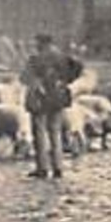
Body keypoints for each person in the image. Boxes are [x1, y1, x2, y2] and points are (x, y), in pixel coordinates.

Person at [22, 33, 82, 180]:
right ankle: (58, 167)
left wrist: (36, 82)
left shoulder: (36, 58)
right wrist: (65, 81)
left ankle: (42, 168)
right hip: (58, 97)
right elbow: (78, 67)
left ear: (41, 43)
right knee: (56, 132)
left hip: (40, 98)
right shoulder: (62, 57)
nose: (34, 44)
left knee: (40, 132)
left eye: (36, 42)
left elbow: (24, 77)